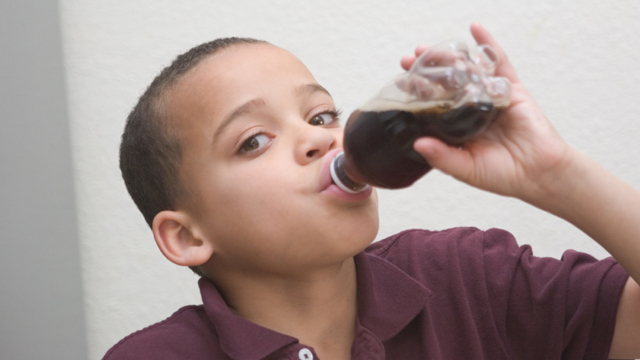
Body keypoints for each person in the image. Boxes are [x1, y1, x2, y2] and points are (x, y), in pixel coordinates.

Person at [105, 23, 640, 359]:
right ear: (185, 235)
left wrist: (558, 176)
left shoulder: (464, 277)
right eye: (255, 141)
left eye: (321, 114)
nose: (319, 137)